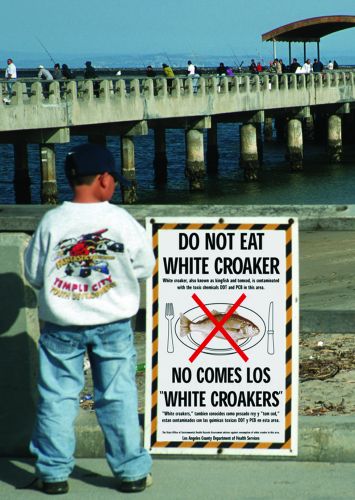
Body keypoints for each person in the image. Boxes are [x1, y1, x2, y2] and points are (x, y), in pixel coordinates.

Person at [23, 143, 155, 495]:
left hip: (61, 326)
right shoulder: (120, 220)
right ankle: (131, 472)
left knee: (57, 397)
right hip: (113, 324)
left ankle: (52, 473)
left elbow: (34, 273)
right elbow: (145, 266)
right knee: (118, 396)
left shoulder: (52, 221)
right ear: (104, 179)